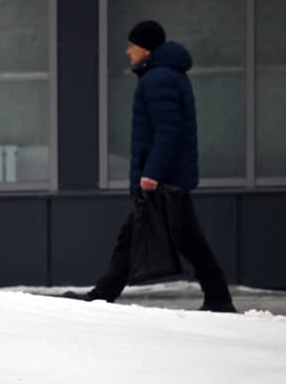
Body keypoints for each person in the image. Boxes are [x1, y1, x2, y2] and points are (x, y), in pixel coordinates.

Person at [64, 20, 236, 312]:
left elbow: (167, 130)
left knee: (182, 241)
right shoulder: (164, 76)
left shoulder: (158, 80)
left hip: (163, 181)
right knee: (142, 238)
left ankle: (217, 298)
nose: (127, 51)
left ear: (146, 49)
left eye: (132, 46)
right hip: (168, 179)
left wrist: (152, 173)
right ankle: (103, 295)